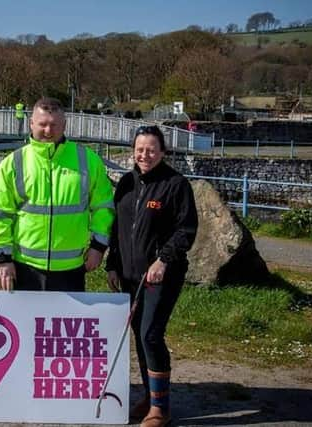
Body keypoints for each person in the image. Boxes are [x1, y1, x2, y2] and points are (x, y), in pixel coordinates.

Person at [106, 125, 197, 427]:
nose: (144, 154)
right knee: (139, 335)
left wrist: (163, 260)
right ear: (133, 150)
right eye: (140, 149)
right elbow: (117, 229)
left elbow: (186, 229)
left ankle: (161, 408)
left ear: (163, 152)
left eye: (151, 149)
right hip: (129, 276)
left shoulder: (176, 184)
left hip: (161, 275)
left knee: (150, 335)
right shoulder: (125, 184)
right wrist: (112, 264)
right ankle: (148, 395)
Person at [0, 97, 114, 292]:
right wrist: (2, 258)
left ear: (65, 125)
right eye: (42, 124)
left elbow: (103, 208)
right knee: (24, 323)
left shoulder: (88, 160)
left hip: (71, 269)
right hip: (25, 267)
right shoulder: (13, 163)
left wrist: (98, 247)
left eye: (54, 125)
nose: (48, 131)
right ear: (31, 123)